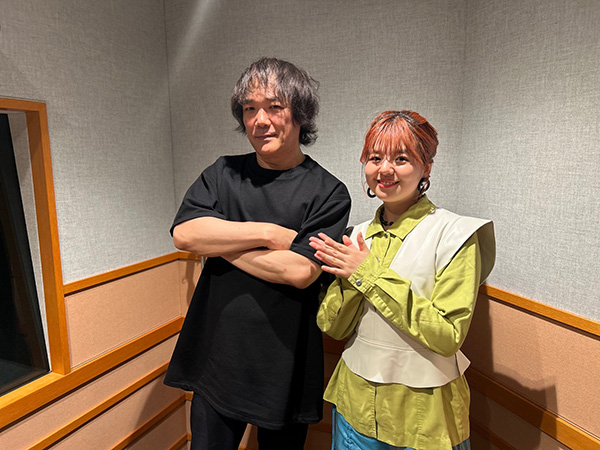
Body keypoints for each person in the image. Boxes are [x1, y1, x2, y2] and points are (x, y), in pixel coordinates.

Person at [164, 57, 351, 450]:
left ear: (300, 114)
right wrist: (268, 234)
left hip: (284, 363)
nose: (259, 120)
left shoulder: (329, 192)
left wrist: (221, 246)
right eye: (250, 109)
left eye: (274, 107)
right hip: (216, 357)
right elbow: (185, 234)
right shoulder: (223, 173)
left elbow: (299, 271)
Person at [310, 110, 495, 450]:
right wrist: (352, 278)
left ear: (427, 167)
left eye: (401, 159)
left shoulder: (456, 235)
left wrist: (367, 274)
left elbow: (447, 335)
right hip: (354, 404)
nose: (384, 170)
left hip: (424, 415)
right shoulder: (356, 236)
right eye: (375, 158)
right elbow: (332, 327)